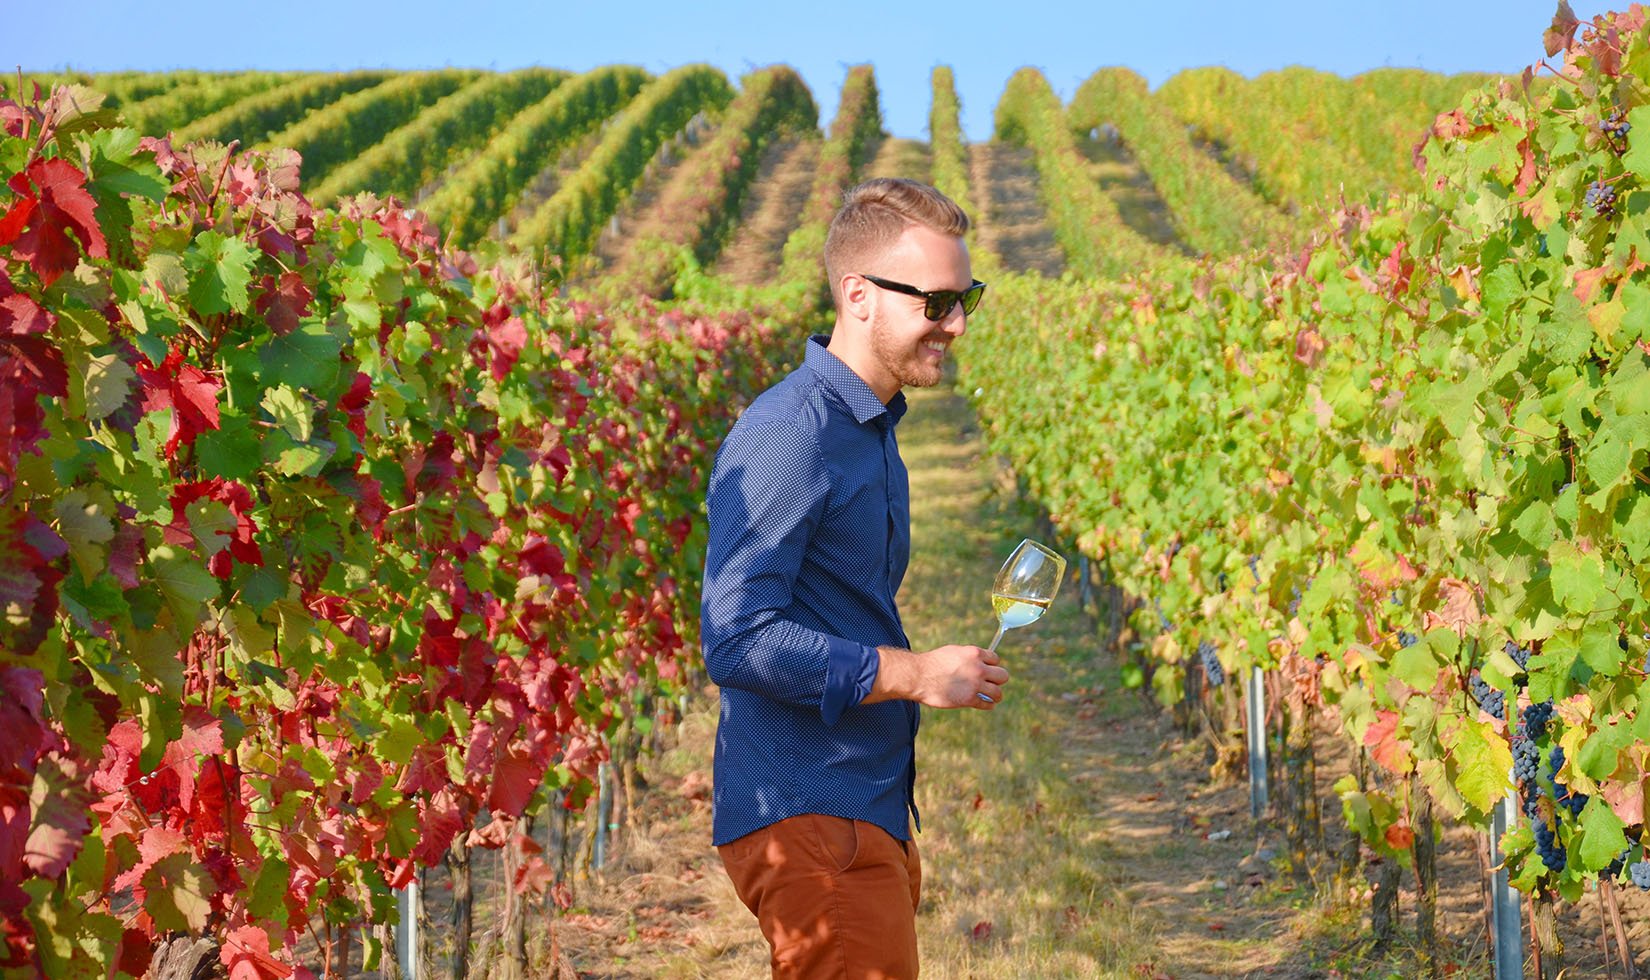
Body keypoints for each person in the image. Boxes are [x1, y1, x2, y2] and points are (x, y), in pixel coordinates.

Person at [700, 177, 1004, 979]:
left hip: (858, 804)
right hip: (810, 810)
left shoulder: (868, 429)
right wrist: (914, 674)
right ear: (859, 295)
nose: (957, 323)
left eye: (965, 296)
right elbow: (734, 640)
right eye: (936, 302)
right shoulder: (789, 435)